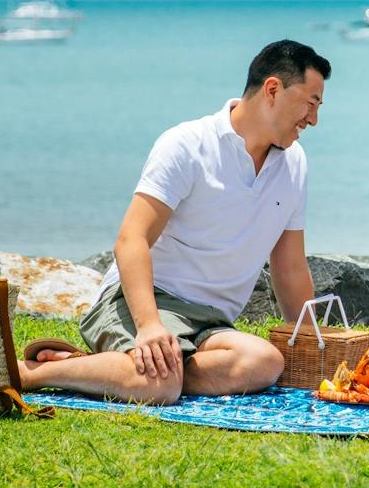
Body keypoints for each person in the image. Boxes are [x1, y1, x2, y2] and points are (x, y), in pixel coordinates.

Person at [19, 39, 329, 405]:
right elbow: (131, 239)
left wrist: (315, 348)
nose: (313, 119)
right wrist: (150, 325)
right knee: (159, 387)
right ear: (273, 89)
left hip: (211, 324)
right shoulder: (187, 144)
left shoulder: (294, 164)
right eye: (310, 103)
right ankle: (28, 374)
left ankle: (110, 369)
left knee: (264, 363)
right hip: (145, 300)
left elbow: (290, 268)